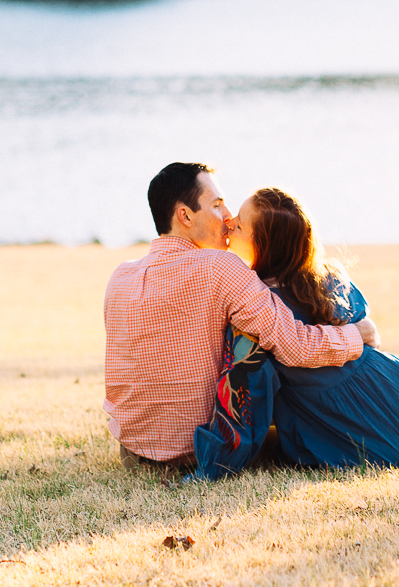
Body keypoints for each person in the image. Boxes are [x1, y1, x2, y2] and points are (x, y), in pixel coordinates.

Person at [103, 162, 380, 473]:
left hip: (134, 453)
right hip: (200, 451)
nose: (228, 216)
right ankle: (387, 437)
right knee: (265, 359)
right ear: (185, 215)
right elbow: (295, 346)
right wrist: (358, 334)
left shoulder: (120, 276)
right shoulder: (221, 267)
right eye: (217, 205)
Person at [207, 186, 399, 473]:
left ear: (262, 246)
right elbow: (367, 330)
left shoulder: (262, 302)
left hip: (355, 427)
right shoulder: (328, 276)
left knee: (294, 434)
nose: (229, 224)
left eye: (238, 224)